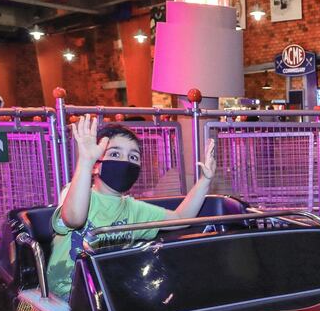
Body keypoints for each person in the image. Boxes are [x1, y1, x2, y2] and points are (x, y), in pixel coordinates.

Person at [46, 115, 216, 299]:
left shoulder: (134, 209)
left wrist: (205, 181)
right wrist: (85, 162)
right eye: (115, 154)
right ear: (97, 165)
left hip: (106, 293)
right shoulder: (77, 193)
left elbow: (181, 219)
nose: (125, 162)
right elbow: (74, 218)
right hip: (66, 293)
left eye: (133, 157)